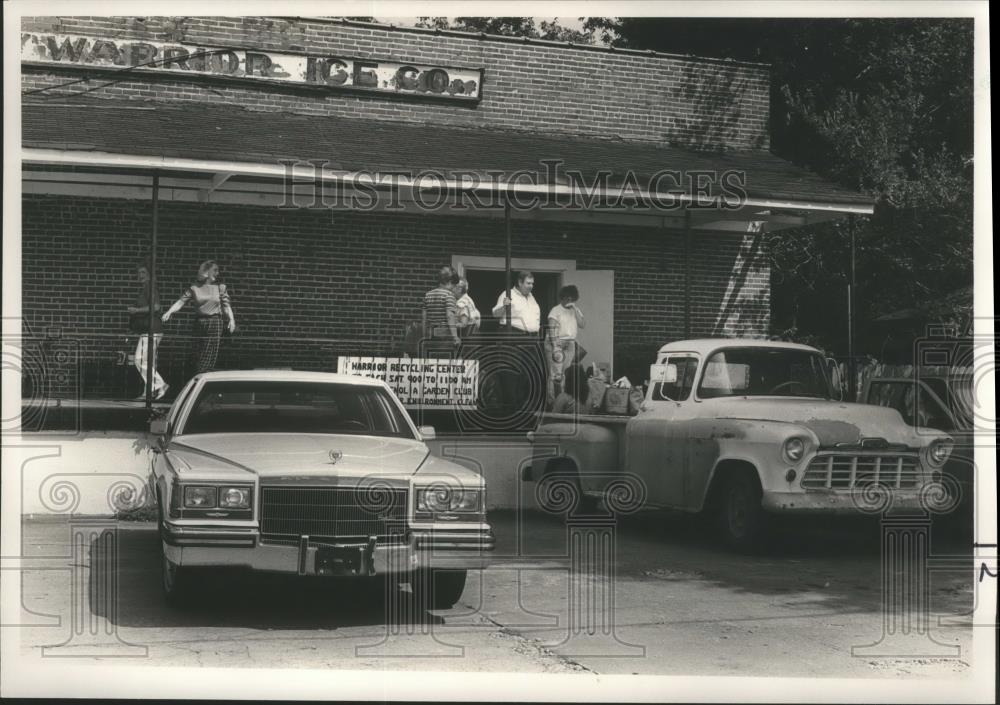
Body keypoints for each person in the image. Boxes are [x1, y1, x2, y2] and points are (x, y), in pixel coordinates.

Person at [162, 260, 236, 375]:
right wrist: (169, 311)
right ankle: (197, 375)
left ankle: (204, 374)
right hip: (199, 322)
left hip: (214, 321)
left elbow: (226, 306)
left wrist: (232, 319)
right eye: (215, 270)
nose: (218, 273)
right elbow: (181, 302)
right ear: (206, 272)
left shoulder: (220, 287)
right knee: (197, 351)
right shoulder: (194, 288)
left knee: (209, 351)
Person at [127, 261, 168, 400]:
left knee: (139, 360)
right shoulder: (145, 288)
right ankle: (148, 393)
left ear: (150, 275)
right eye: (139, 273)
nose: (140, 275)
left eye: (144, 272)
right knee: (149, 362)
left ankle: (160, 384)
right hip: (149, 330)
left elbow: (156, 307)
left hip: (152, 330)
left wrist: (136, 310)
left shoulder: (150, 288)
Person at [545, 285, 586, 405]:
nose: (569, 301)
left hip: (570, 343)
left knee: (565, 373)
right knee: (555, 374)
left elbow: (582, 324)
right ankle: (552, 403)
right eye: (567, 299)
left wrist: (576, 309)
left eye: (572, 299)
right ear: (562, 298)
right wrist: (555, 346)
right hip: (557, 342)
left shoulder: (575, 310)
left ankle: (562, 402)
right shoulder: (555, 310)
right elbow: (551, 328)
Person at [422, 266, 461, 353]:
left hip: (430, 333)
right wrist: (455, 337)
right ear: (450, 282)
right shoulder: (449, 295)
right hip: (444, 333)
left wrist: (424, 335)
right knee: (445, 360)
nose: (454, 288)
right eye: (454, 285)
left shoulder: (428, 295)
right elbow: (450, 316)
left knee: (432, 359)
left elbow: (424, 318)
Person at [491, 271, 540, 335]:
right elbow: (496, 315)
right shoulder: (508, 294)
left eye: (532, 283)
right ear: (520, 282)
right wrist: (505, 306)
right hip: (515, 337)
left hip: (532, 338)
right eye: (528, 283)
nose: (531, 286)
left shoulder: (531, 297)